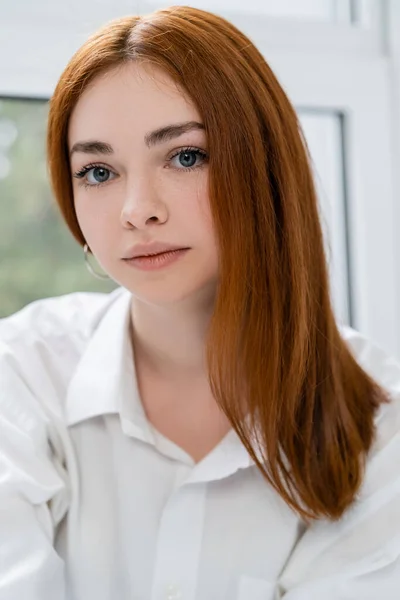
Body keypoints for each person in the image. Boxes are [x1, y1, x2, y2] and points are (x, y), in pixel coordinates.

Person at [1, 5, 399, 599]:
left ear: (264, 169)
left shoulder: (378, 421)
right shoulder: (23, 372)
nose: (138, 208)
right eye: (99, 170)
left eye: (185, 156)